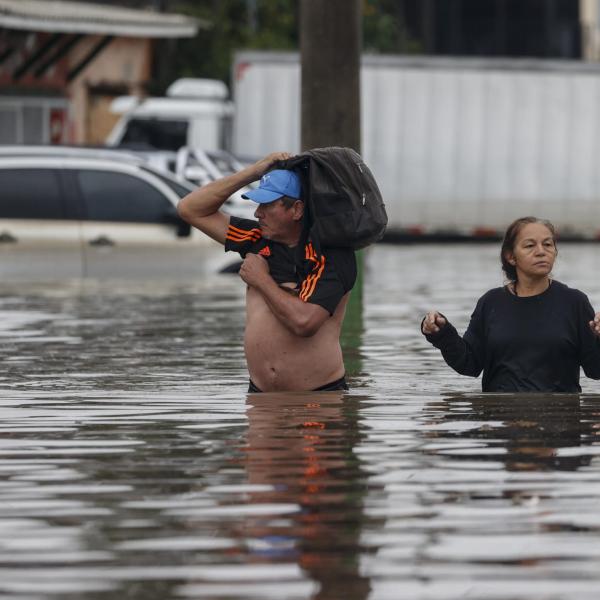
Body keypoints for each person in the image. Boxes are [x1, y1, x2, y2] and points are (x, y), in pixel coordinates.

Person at [177, 152, 357, 393]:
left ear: (297, 209)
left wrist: (260, 279)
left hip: (318, 400)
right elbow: (190, 209)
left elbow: (304, 323)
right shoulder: (257, 238)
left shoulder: (331, 255)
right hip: (260, 398)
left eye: (268, 205)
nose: (257, 213)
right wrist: (252, 172)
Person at [421, 216, 600, 392]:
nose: (541, 251)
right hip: (501, 417)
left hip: (558, 415)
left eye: (547, 244)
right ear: (511, 257)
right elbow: (469, 364)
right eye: (530, 245)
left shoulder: (575, 302)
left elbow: (595, 370)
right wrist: (442, 334)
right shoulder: (490, 302)